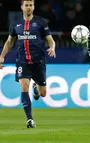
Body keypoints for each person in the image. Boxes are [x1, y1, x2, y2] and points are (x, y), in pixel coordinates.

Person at [0, 0, 56, 128]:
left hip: (38, 62)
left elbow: (50, 40)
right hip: (22, 61)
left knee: (43, 93)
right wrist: (1, 56)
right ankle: (30, 119)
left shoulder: (41, 22)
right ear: (22, 7)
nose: (29, 7)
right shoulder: (16, 24)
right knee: (24, 86)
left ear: (34, 7)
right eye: (27, 5)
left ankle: (36, 89)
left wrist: (52, 48)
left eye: (31, 5)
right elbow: (9, 42)